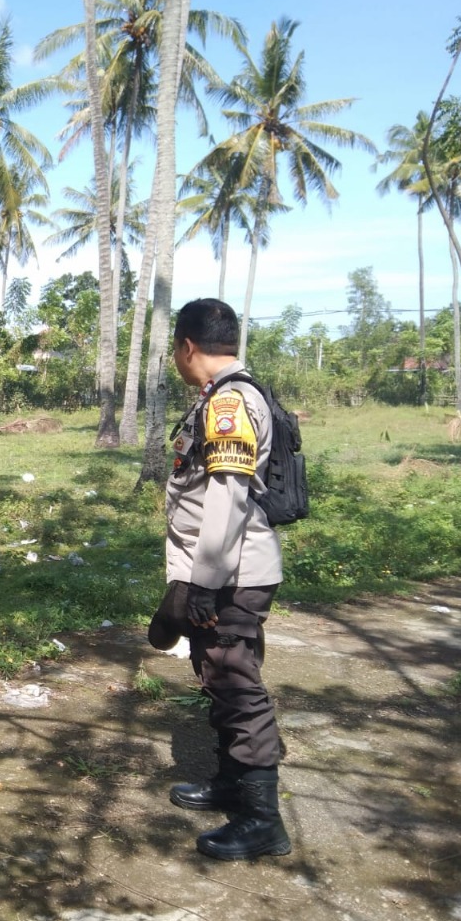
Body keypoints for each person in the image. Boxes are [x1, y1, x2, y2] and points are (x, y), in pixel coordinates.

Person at [160, 297, 291, 861]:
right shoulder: (222, 397)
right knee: (217, 672)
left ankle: (263, 819)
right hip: (222, 572)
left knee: (237, 686)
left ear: (188, 346)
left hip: (230, 574)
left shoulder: (230, 403)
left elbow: (228, 497)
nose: (175, 359)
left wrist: (205, 582)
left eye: (174, 350)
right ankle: (232, 785)